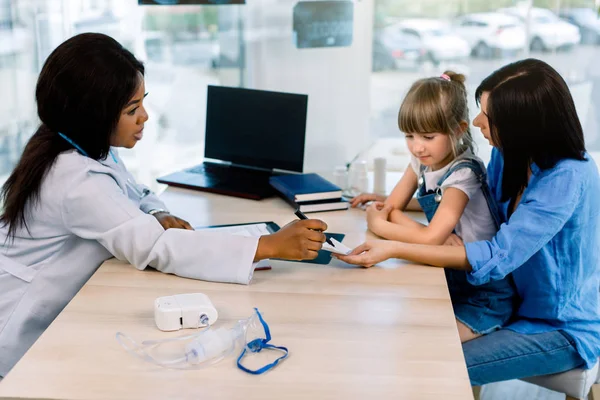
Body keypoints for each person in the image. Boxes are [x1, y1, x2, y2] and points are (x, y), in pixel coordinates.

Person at [0, 33, 327, 378]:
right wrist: (267, 245)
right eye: (131, 109)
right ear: (93, 115)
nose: (145, 117)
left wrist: (158, 212)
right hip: (18, 325)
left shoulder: (81, 147)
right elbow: (157, 247)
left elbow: (134, 193)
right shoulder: (75, 179)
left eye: (143, 102)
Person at [337, 59, 600, 384]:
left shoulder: (567, 179)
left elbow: (496, 256)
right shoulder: (511, 154)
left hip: (556, 325)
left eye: (488, 117)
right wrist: (391, 204)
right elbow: (476, 207)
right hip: (509, 297)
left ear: (524, 124)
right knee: (393, 336)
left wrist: (394, 246)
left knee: (433, 366)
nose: (476, 123)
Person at [350, 71, 515, 343]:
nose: (417, 147)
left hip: (484, 295)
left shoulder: (465, 173)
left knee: (425, 344)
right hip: (449, 277)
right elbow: (393, 207)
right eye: (409, 135)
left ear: (458, 130)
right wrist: (387, 212)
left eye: (427, 136)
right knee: (395, 326)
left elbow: (429, 237)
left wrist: (379, 224)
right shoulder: (423, 160)